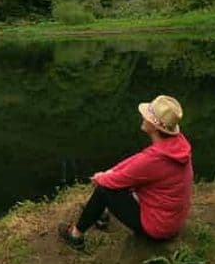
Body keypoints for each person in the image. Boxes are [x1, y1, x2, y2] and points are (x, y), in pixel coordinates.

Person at [58, 95, 193, 249]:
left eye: (147, 116)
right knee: (116, 181)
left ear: (155, 126)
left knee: (105, 189)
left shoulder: (155, 159)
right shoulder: (176, 146)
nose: (143, 117)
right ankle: (101, 215)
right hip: (171, 220)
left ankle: (75, 235)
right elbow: (135, 162)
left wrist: (101, 177)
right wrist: (110, 171)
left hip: (158, 228)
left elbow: (118, 178)